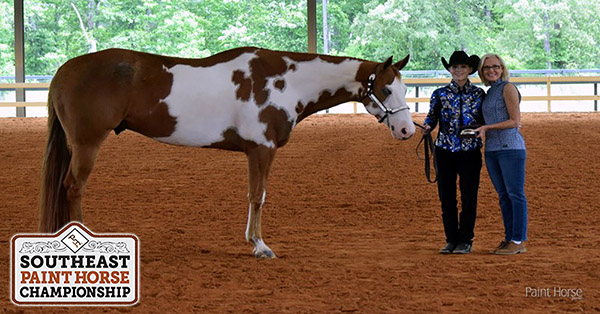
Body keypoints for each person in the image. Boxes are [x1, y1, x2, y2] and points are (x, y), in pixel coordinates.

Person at [422, 51, 485, 254]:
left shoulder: (478, 94)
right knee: (446, 197)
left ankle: (465, 239)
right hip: (445, 150)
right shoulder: (439, 94)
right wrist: (426, 126)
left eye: (462, 67)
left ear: (469, 70)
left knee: (469, 196)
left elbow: (484, 119)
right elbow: (432, 117)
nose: (458, 70)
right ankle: (451, 239)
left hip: (470, 151)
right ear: (450, 69)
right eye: (455, 67)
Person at [475, 54, 528, 255]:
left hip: (511, 148)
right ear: (482, 71)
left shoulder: (508, 88)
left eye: (496, 66)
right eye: (487, 67)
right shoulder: (489, 92)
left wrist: (487, 127)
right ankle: (509, 238)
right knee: (504, 196)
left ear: (502, 68)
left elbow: (515, 121)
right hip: (492, 150)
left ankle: (518, 239)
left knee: (515, 194)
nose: (492, 70)